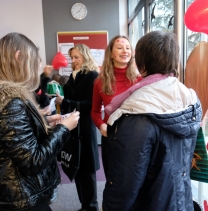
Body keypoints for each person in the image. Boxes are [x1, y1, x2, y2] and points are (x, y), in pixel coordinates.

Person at [102, 31, 202, 211]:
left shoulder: (137, 113)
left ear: (142, 65)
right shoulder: (190, 101)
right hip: (180, 199)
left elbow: (125, 183)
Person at [0, 32, 80, 211]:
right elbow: (32, 161)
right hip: (21, 197)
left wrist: (44, 122)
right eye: (34, 62)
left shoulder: (9, 97)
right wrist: (63, 129)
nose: (37, 68)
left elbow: (15, 140)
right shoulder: (10, 100)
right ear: (18, 56)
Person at [55, 43, 100, 211]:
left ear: (85, 57)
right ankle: (84, 206)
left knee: (87, 170)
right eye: (72, 58)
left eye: (76, 57)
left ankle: (91, 207)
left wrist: (64, 101)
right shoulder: (73, 76)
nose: (73, 61)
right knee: (78, 168)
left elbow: (89, 105)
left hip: (85, 128)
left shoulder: (92, 75)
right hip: (73, 127)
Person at [91, 35, 142, 178]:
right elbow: (94, 111)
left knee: (134, 179)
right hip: (111, 137)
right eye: (119, 48)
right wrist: (101, 125)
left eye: (127, 48)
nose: (124, 51)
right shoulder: (100, 82)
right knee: (113, 179)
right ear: (111, 54)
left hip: (135, 137)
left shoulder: (140, 80)